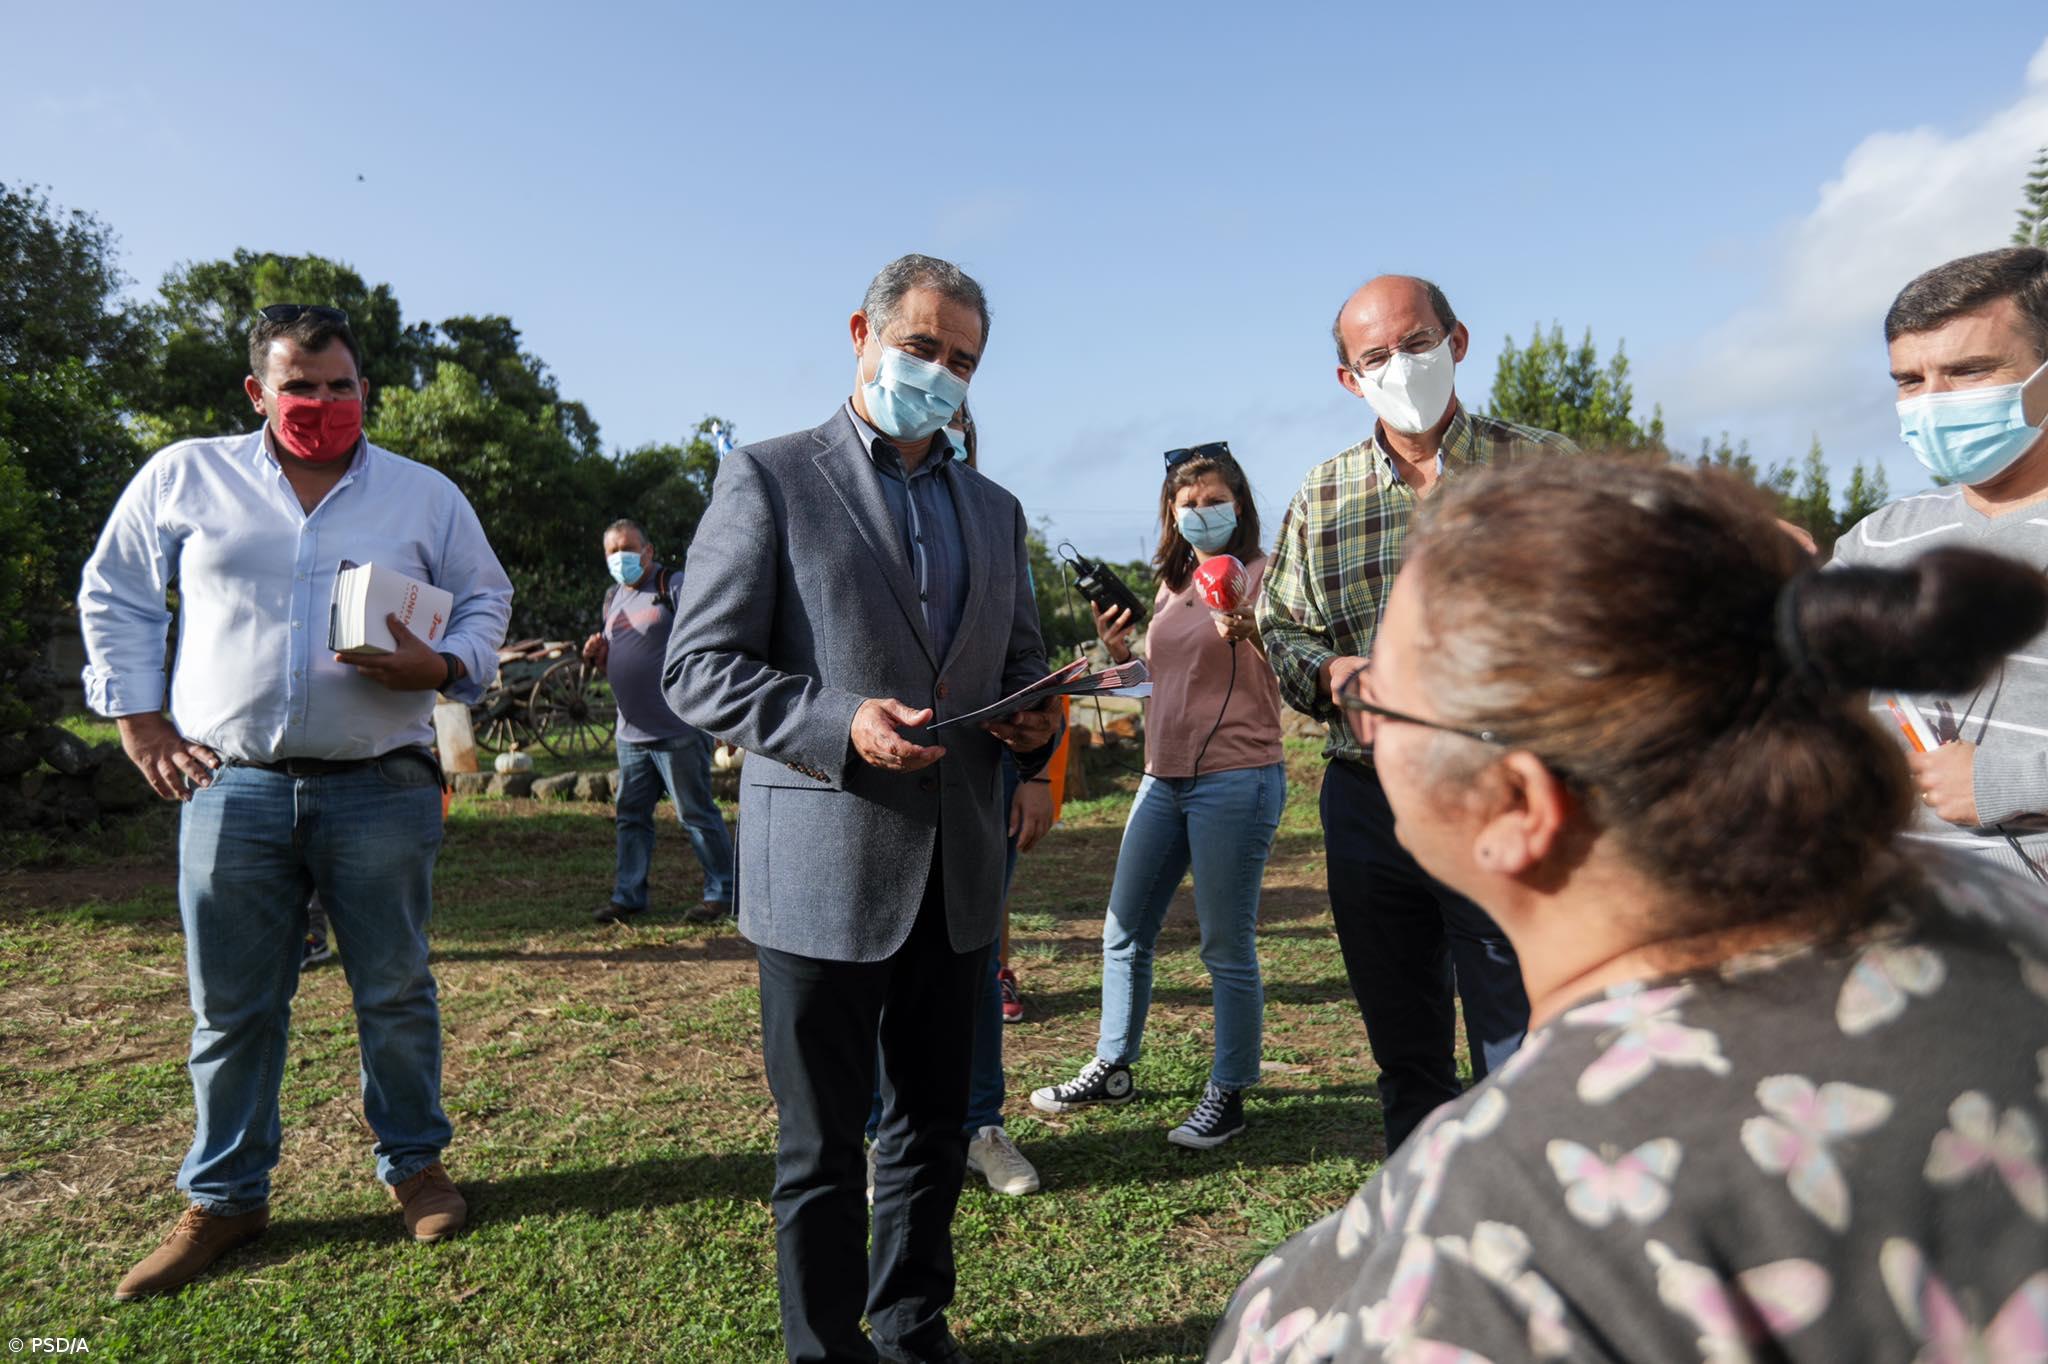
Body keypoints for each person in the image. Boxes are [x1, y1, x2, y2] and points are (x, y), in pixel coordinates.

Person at [1209, 456, 2048, 1363]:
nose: (1362, 721)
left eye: (1380, 701)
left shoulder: (1515, 1216)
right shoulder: (1991, 908)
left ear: (1517, 807)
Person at [663, 254, 1061, 1364]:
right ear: (862, 332)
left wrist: (1034, 723)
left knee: (933, 1125)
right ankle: (822, 1346)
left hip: (958, 872)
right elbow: (698, 669)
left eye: (963, 361)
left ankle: (909, 1321)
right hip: (822, 866)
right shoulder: (770, 477)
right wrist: (838, 720)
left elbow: (1015, 659)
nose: (939, 374)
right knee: (823, 1145)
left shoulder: (995, 508)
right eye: (924, 347)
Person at [78, 304, 513, 1300]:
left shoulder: (423, 494)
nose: (321, 403)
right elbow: (118, 591)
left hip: (383, 784)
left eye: (340, 385)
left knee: (395, 991)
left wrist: (446, 663)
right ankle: (225, 1194)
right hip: (232, 784)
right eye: (299, 386)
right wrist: (139, 719)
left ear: (365, 388)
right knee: (231, 1007)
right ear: (257, 391)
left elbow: (486, 597)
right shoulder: (186, 474)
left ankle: (415, 1165)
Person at [1257, 275, 1575, 1153]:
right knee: (1406, 1052)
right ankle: (1430, 1227)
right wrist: (1330, 677)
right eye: (1375, 357)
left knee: (1520, 1044)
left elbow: (1609, 610)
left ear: (1458, 341)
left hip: (1505, 790)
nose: (1401, 365)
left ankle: (1531, 1235)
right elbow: (1278, 626)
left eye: (1417, 343)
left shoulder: (1544, 467)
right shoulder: (1323, 497)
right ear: (1348, 380)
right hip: (1371, 802)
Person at [1032, 441, 1287, 1149]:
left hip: (1237, 777)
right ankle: (1114, 1065)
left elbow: (1292, 664)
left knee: (1225, 945)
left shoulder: (1266, 574)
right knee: (1123, 930)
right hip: (1161, 776)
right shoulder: (1174, 584)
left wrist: (1255, 629)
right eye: (1190, 504)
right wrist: (1121, 658)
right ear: (1171, 515)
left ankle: (1229, 1091)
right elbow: (1168, 679)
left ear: (1239, 504)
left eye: (1215, 502)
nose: (1204, 514)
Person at [1834, 246, 2048, 882]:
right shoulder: (1875, 541)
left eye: (1969, 370)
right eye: (1909, 380)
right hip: (1890, 906)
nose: (1932, 402)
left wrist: (2006, 779)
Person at [580, 516, 737, 924]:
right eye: (612, 551)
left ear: (648, 551)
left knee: (695, 814)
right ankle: (628, 896)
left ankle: (723, 892)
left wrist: (718, 713)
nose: (620, 557)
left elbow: (708, 644)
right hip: (630, 733)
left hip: (678, 729)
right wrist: (598, 658)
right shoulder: (613, 597)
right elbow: (619, 665)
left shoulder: (675, 586)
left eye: (627, 548)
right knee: (630, 817)